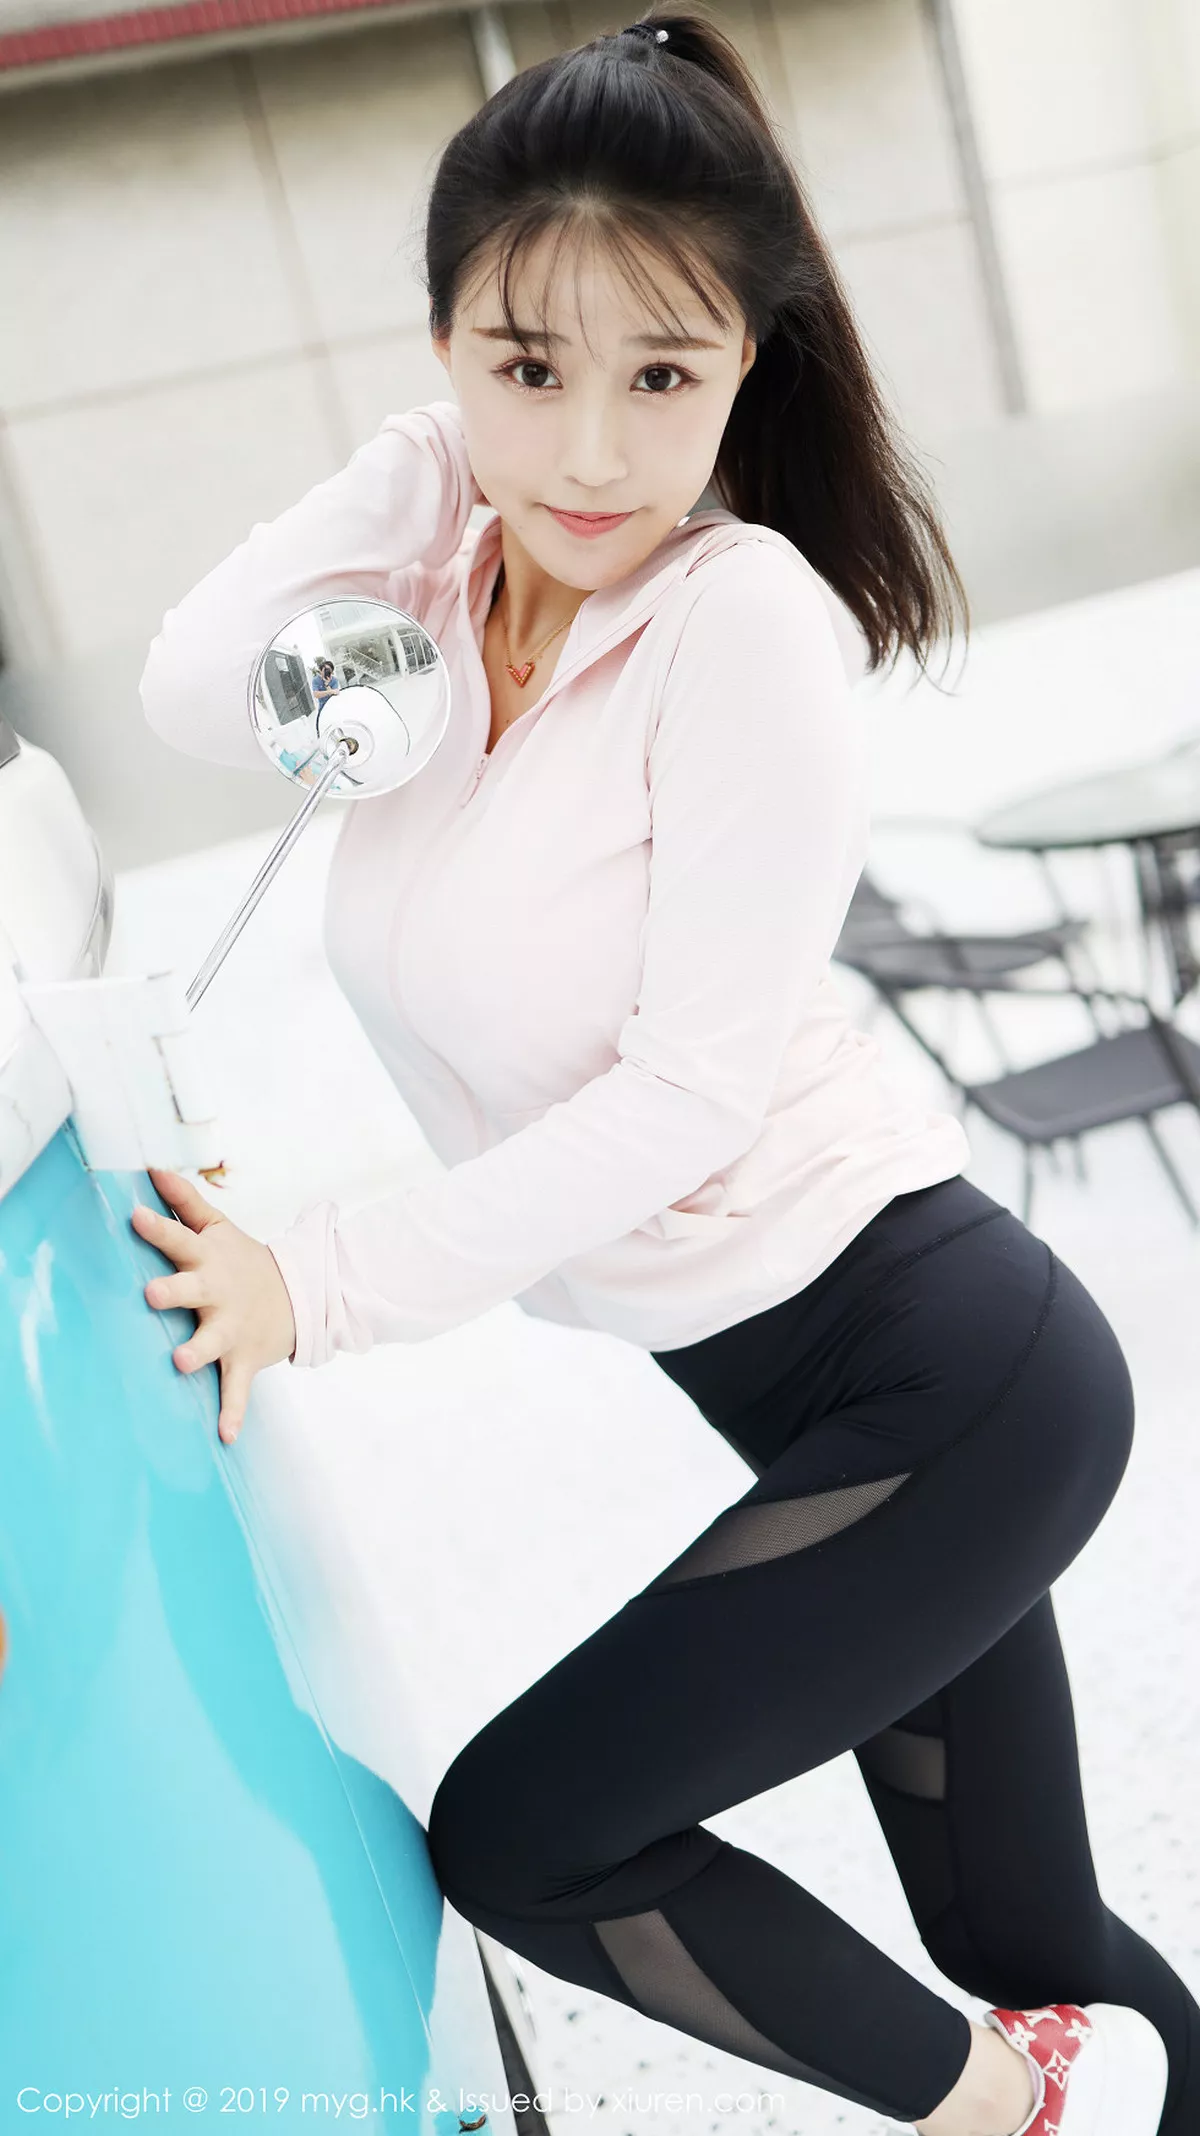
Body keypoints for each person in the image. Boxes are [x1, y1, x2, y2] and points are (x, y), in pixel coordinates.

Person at [132, 15, 1194, 2133]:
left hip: (948, 1374)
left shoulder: (741, 627)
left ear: (745, 370)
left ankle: (1006, 2114)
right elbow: (183, 695)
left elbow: (682, 1098)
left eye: (663, 376)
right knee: (1030, 1943)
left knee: (533, 1833)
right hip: (801, 1387)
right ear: (443, 349)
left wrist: (316, 1283)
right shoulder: (437, 605)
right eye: (527, 368)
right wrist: (415, 468)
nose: (595, 452)